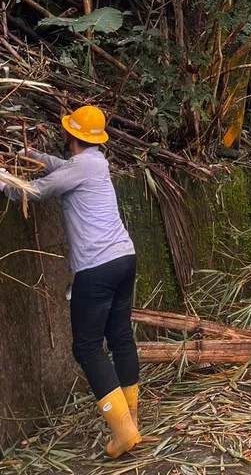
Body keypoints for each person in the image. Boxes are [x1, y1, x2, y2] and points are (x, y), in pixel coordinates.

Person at [0, 106, 141, 458]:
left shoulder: (81, 167)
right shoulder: (97, 163)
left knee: (87, 348)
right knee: (120, 337)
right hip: (124, 258)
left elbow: (30, 193)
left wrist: (3, 178)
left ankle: (124, 432)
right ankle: (133, 419)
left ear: (71, 136)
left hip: (97, 268)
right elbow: (63, 169)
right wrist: (33, 155)